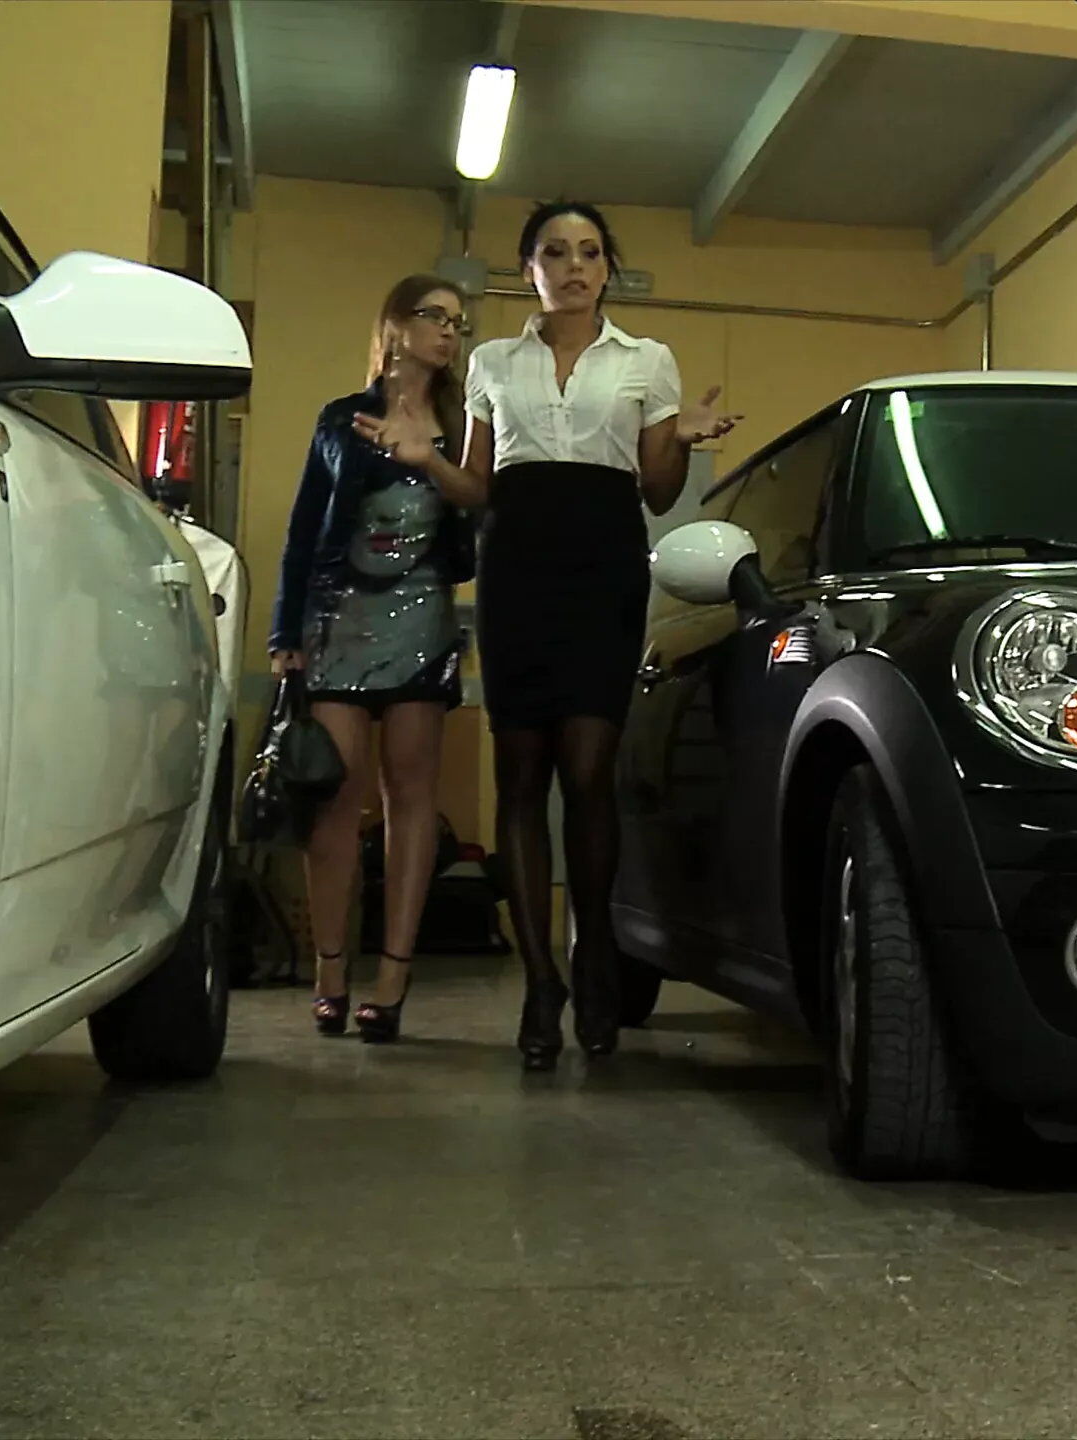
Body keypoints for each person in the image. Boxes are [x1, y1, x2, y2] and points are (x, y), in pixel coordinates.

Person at [453, 199, 737, 1069]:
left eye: (587, 252)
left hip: (604, 564)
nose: (573, 266)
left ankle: (596, 955)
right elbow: (477, 484)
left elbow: (658, 490)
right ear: (528, 268)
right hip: (516, 567)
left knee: (587, 771)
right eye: (554, 252)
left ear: (607, 267)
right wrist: (423, 459)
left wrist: (682, 439)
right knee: (520, 774)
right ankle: (541, 983)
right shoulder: (492, 361)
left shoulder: (647, 359)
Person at [269, 274, 483, 1045]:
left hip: (423, 617)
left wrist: (428, 459)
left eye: (458, 321)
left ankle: (393, 977)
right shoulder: (340, 419)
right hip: (337, 618)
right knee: (333, 794)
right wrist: (285, 632)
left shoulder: (463, 422)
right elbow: (303, 529)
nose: (449, 331)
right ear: (393, 326)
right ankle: (330, 969)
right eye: (434, 316)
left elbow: (478, 499)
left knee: (411, 797)